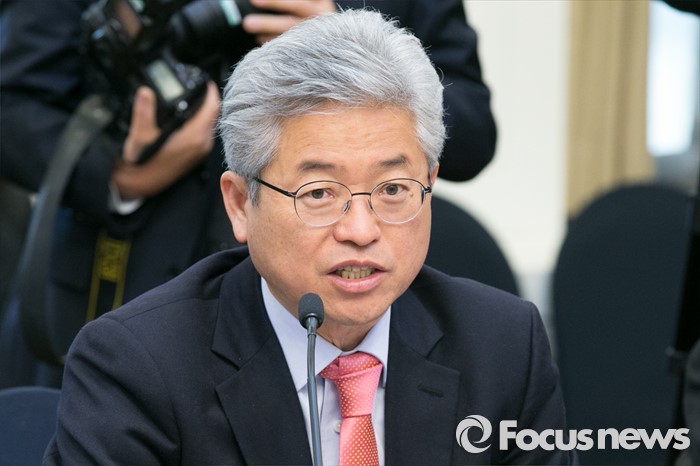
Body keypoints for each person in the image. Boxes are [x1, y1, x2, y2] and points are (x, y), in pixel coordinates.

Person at [44, 10, 572, 465]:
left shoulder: (504, 347)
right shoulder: (137, 366)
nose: (361, 231)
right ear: (239, 204)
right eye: (318, 193)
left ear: (429, 183)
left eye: (393, 188)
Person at [0, 0, 496, 388]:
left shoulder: (512, 341)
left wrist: (345, 53)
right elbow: (13, 106)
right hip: (120, 277)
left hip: (339, 304)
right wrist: (120, 177)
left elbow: (473, 129)